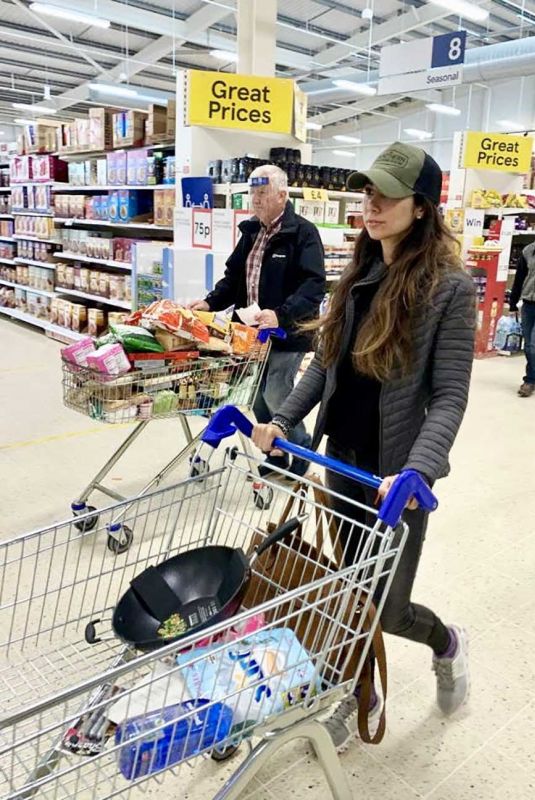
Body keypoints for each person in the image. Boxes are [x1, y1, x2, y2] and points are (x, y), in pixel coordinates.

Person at [252, 142, 476, 750]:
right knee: (347, 595)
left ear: (422, 207)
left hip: (394, 483)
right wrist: (278, 420)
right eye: (368, 192)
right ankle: (357, 696)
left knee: (388, 608)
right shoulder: (357, 271)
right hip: (341, 463)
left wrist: (418, 472)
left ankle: (446, 643)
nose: (371, 205)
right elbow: (325, 365)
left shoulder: (450, 290)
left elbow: (451, 395)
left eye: (386, 195)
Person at [189, 164, 326, 477]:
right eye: (253, 192)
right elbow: (233, 278)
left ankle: (301, 447)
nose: (256, 199)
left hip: (289, 331)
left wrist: (281, 312)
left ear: (282, 195)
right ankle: (277, 454)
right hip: (253, 336)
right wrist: (209, 303)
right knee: (259, 398)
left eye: (263, 193)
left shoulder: (303, 233)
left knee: (276, 392)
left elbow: (313, 285)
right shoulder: (251, 232)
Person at [509, 241, 535, 397]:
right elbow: (519, 279)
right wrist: (513, 303)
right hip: (528, 304)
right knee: (527, 346)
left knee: (533, 345)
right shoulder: (528, 251)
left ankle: (530, 380)